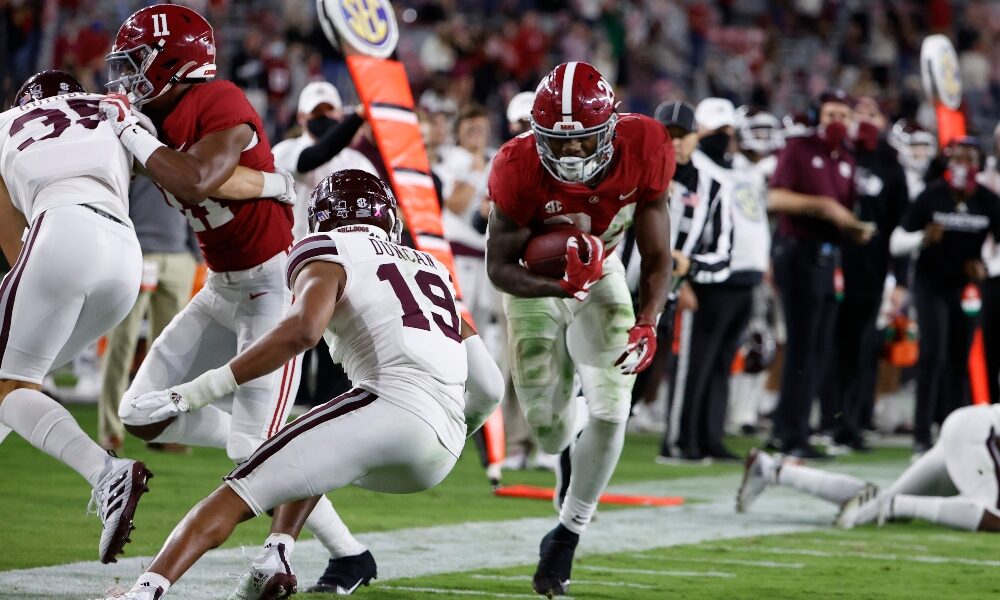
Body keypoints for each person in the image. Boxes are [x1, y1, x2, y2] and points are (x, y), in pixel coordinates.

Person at [98, 169, 503, 600]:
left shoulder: (329, 247)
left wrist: (199, 390)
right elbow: (490, 386)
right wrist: (457, 428)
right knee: (314, 449)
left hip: (389, 407)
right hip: (441, 449)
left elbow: (303, 332)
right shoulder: (432, 268)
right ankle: (276, 551)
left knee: (238, 492)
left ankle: (143, 592)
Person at [100, 5, 367, 591]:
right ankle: (278, 445)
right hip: (222, 286)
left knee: (251, 445)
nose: (127, 76)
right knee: (140, 415)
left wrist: (128, 132)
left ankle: (346, 551)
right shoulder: (157, 120)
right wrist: (270, 183)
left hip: (275, 286)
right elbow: (204, 178)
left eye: (138, 62)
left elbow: (195, 178)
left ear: (175, 62)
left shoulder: (216, 100)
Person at [487, 62, 674, 597]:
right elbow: (499, 268)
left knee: (614, 408)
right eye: (557, 143)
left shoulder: (647, 144)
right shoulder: (516, 164)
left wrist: (648, 320)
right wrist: (559, 288)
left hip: (605, 268)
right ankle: (566, 437)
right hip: (534, 278)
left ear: (611, 128)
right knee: (546, 428)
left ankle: (567, 534)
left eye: (582, 141)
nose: (569, 156)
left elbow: (658, 250)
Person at [0, 70, 151, 564]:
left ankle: (105, 473)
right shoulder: (108, 107)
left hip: (61, 231)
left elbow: (11, 237)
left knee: (12, 384)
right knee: (13, 389)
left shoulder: (8, 122)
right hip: (126, 258)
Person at [766, 89, 874, 459]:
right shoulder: (799, 149)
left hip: (829, 257)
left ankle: (794, 427)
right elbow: (775, 198)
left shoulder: (846, 157)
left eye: (843, 116)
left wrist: (853, 226)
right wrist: (824, 206)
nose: (837, 122)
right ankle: (789, 433)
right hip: (798, 252)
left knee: (817, 349)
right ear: (818, 116)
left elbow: (842, 212)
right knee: (801, 347)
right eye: (831, 115)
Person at [889, 137, 1000, 455]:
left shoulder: (988, 200)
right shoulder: (932, 194)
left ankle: (953, 435)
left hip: (966, 288)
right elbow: (897, 241)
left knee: (959, 359)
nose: (964, 165)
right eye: (958, 158)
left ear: (979, 165)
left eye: (970, 159)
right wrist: (923, 239)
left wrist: (987, 267)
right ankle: (922, 436)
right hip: (931, 283)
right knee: (932, 355)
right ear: (949, 161)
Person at [736, 403, 1000, 533]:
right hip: (980, 432)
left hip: (972, 426)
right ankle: (892, 505)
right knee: (989, 512)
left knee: (877, 500)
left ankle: (773, 470)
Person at [820, 97, 908, 451]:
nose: (864, 119)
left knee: (863, 350)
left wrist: (899, 280)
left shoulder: (891, 164)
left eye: (873, 113)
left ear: (884, 121)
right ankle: (827, 422)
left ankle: (854, 424)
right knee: (830, 346)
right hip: (834, 265)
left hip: (872, 272)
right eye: (859, 113)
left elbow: (900, 226)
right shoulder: (835, 154)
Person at [97, 176, 200, 453]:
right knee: (121, 344)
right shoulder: (133, 145)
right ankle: (110, 431)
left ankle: (160, 431)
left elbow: (192, 199)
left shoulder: (182, 153)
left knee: (171, 353)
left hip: (179, 257)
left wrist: (194, 254)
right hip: (138, 253)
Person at [272, 80, 376, 241]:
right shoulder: (285, 151)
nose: (325, 116)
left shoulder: (358, 161)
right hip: (296, 253)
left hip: (345, 256)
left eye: (330, 110)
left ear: (340, 114)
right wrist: (358, 116)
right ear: (301, 117)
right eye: (317, 111)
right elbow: (316, 155)